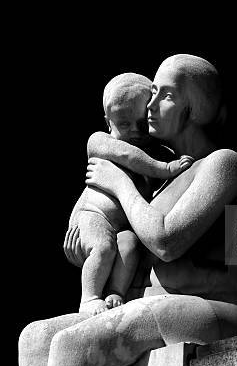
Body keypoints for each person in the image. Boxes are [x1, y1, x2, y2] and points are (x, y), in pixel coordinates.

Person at [18, 54, 237, 366]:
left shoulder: (222, 163)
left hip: (218, 306)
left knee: (71, 345)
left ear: (195, 108)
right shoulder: (158, 181)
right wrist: (91, 243)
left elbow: (166, 242)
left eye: (166, 95)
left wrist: (118, 183)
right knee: (35, 337)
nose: (151, 105)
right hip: (152, 301)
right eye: (153, 92)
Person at [67, 72, 193, 315]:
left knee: (129, 244)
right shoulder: (99, 141)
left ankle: (116, 290)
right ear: (108, 122)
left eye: (142, 122)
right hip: (92, 216)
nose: (136, 130)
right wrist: (166, 168)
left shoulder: (156, 151)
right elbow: (131, 157)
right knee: (102, 248)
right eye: (124, 124)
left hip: (122, 225)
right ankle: (89, 297)